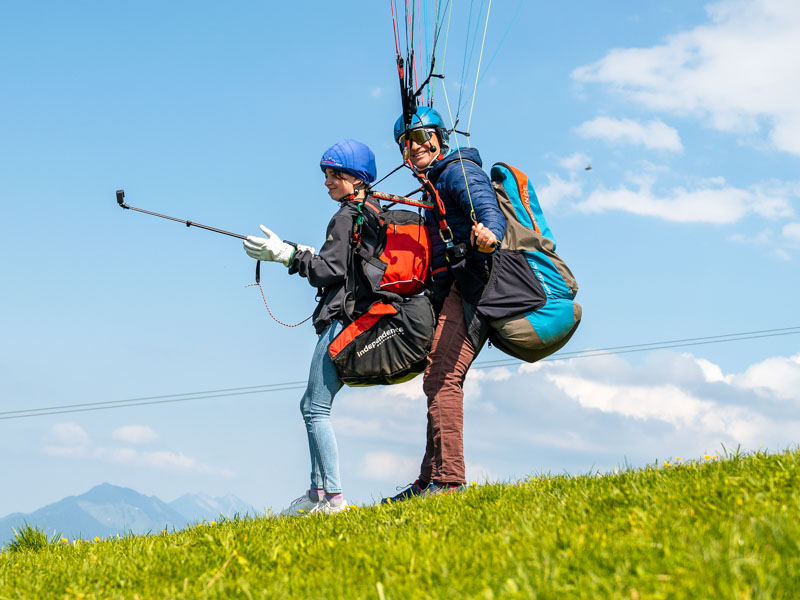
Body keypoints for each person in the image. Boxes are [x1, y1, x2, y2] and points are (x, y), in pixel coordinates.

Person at [243, 139, 383, 515]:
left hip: (343, 319)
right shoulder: (370, 211)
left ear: (356, 178)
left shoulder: (343, 216)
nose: (327, 182)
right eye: (326, 174)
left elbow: (328, 271)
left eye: (334, 174)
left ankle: (332, 499)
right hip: (363, 316)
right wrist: (305, 252)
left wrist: (288, 256)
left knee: (315, 408)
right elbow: (347, 263)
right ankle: (316, 495)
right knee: (311, 405)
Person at [383, 107, 506, 501]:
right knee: (438, 378)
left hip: (474, 286)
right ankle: (429, 480)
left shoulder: (458, 171)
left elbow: (486, 207)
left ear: (439, 138)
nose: (415, 146)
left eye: (422, 137)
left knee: (442, 379)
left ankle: (449, 480)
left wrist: (489, 234)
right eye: (407, 141)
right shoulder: (433, 182)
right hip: (455, 288)